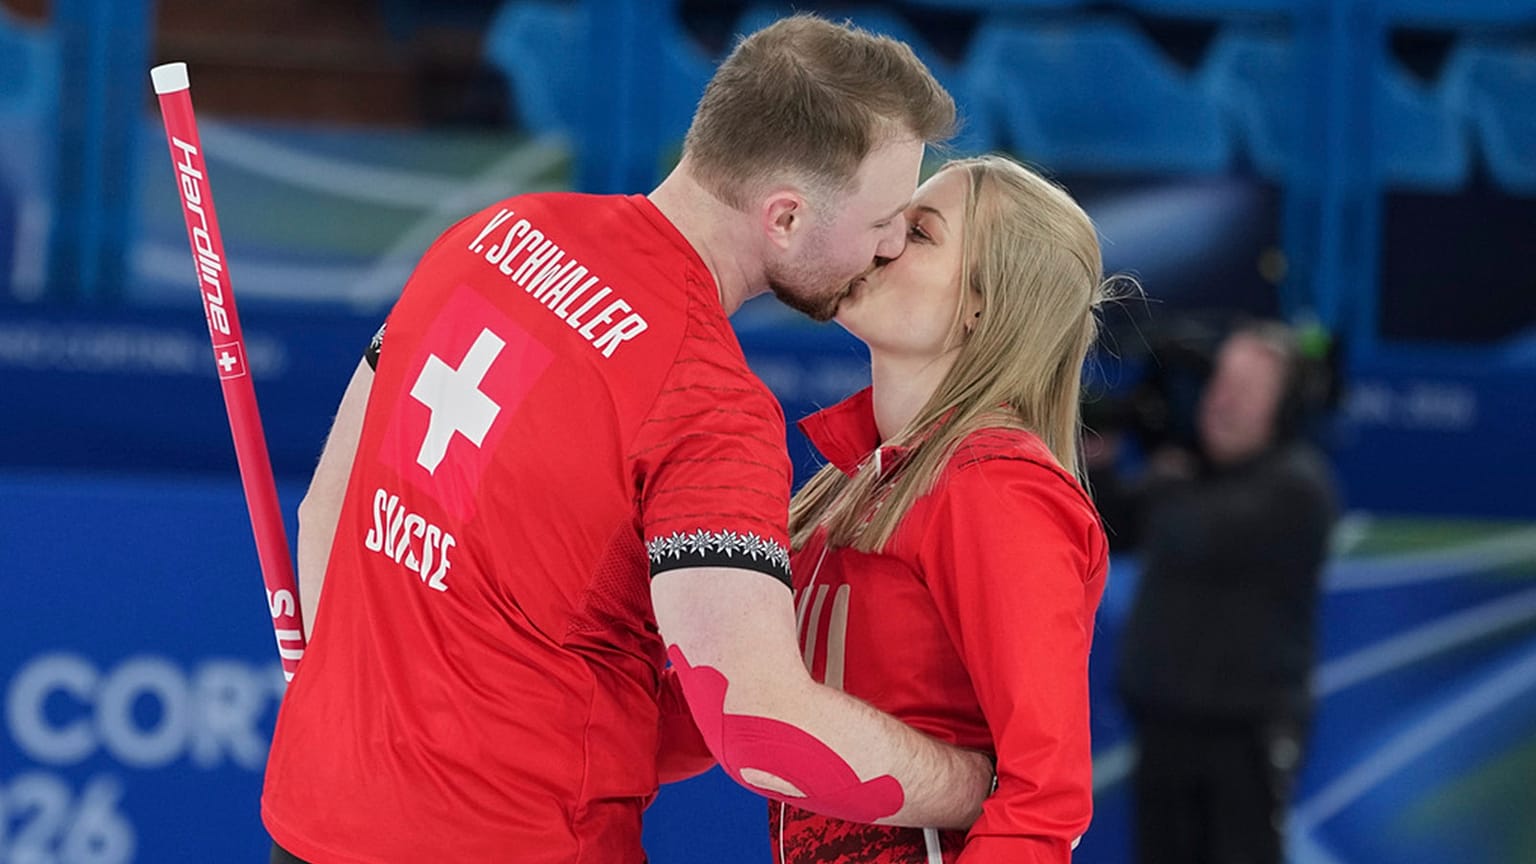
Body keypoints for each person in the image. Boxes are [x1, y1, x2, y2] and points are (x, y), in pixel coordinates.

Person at [261, 15, 996, 864]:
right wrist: (976, 781)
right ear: (785, 217)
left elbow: (326, 511)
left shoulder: (490, 234)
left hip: (313, 821)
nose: (893, 244)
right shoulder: (710, 404)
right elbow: (758, 722)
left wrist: (357, 732)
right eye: (883, 221)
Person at [658, 155, 1113, 861]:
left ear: (983, 303)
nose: (881, 241)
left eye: (920, 233)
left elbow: (1046, 797)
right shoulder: (851, 485)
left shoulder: (999, 489)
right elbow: (722, 707)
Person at [1105, 321, 1339, 864]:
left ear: (1283, 410)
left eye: (1248, 390)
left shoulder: (1298, 486)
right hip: (1164, 730)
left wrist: (1164, 471)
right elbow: (1112, 521)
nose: (1224, 402)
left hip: (1245, 741)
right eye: (1220, 384)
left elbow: (1193, 530)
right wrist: (1105, 459)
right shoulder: (1187, 476)